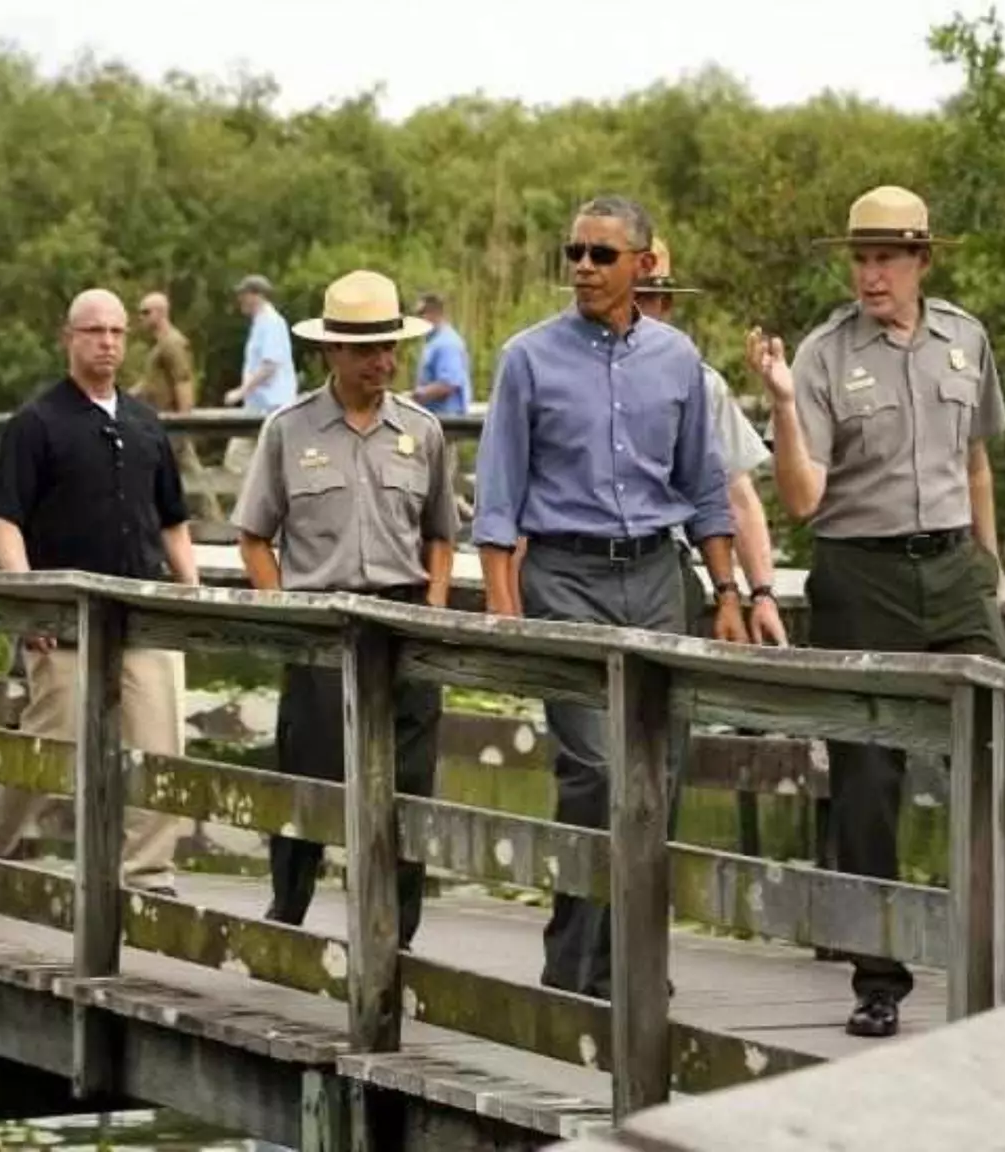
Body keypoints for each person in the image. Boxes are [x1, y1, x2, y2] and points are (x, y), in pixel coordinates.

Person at [742, 185, 1005, 1038]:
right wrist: (783, 403)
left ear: (921, 261)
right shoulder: (823, 354)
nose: (871, 275)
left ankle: (1004, 951)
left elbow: (975, 462)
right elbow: (802, 499)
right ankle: (878, 977)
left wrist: (990, 559)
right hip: (862, 573)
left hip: (954, 566)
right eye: (860, 258)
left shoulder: (964, 338)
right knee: (867, 778)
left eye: (887, 258)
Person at [474, 194, 744, 1000]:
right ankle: (576, 966)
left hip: (660, 580)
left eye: (601, 255)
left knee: (657, 774)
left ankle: (630, 968)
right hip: (563, 576)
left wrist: (726, 591)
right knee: (595, 770)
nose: (584, 269)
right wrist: (501, 603)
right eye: (575, 254)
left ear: (642, 264)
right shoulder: (527, 359)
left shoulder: (678, 360)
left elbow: (704, 487)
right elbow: (497, 493)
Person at [231, 269, 458, 948]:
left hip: (405, 624)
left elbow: (442, 533)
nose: (382, 363)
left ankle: (398, 937)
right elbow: (253, 535)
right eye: (365, 350)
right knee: (309, 781)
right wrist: (284, 611)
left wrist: (436, 611)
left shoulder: (422, 430)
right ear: (331, 352)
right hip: (321, 624)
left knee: (409, 788)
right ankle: (288, 917)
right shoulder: (288, 429)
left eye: (390, 348)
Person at [0, 287, 200, 896]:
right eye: (94, 331)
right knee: (55, 738)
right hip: (65, 618)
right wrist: (28, 599)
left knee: (160, 746)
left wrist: (193, 594)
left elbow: (174, 521)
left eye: (117, 332)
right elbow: (5, 521)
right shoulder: (35, 424)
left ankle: (147, 877)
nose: (107, 342)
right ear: (68, 338)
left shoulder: (145, 423)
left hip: (145, 612)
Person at [631, 238, 787, 646]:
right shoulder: (561, 374)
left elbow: (737, 494)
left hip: (665, 568)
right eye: (629, 296)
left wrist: (763, 593)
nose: (638, 311)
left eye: (651, 299)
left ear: (667, 306)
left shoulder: (701, 382)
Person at [130, 290, 218, 520]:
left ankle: (215, 520)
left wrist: (184, 421)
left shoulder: (172, 343)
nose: (141, 317)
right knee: (177, 472)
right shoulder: (160, 345)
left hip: (173, 421)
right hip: (159, 421)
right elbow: (150, 381)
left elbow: (183, 380)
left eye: (146, 312)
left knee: (190, 472)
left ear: (160, 313)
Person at [224, 275, 299, 475]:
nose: (240, 299)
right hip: (259, 408)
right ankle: (257, 503)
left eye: (243, 294)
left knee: (238, 460)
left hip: (271, 408)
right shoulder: (260, 323)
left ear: (256, 295)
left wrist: (240, 392)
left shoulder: (272, 323)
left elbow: (269, 366)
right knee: (258, 465)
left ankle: (253, 503)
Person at [409, 291, 472, 416]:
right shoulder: (432, 341)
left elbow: (448, 385)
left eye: (421, 314)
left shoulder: (447, 343)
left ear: (433, 313)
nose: (418, 319)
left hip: (448, 420)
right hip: (433, 417)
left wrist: (415, 397)